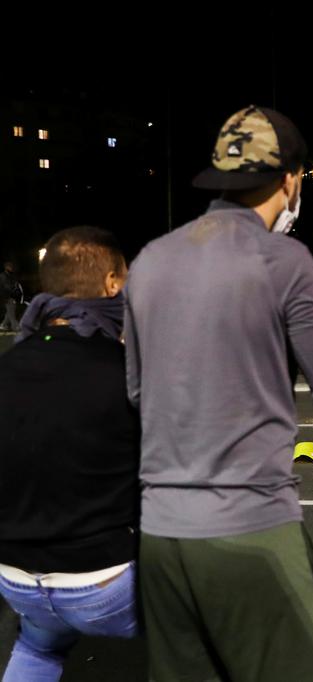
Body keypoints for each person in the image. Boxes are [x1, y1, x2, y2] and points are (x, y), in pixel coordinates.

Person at [124, 105, 313, 681]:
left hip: (160, 533)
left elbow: (137, 391)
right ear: (289, 179)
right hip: (250, 527)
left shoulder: (151, 260)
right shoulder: (284, 261)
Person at [0, 227, 139, 681]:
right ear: (113, 284)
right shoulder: (124, 373)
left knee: (37, 646)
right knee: (207, 618)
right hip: (105, 582)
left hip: (17, 578)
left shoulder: (11, 365)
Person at [0, 262, 21, 332]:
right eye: (10, 267)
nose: (11, 268)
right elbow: (6, 286)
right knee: (11, 311)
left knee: (10, 311)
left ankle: (3, 325)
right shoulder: (3, 276)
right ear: (6, 267)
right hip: (6, 296)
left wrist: (15, 287)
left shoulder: (10, 275)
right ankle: (15, 326)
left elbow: (14, 284)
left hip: (11, 296)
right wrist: (13, 288)